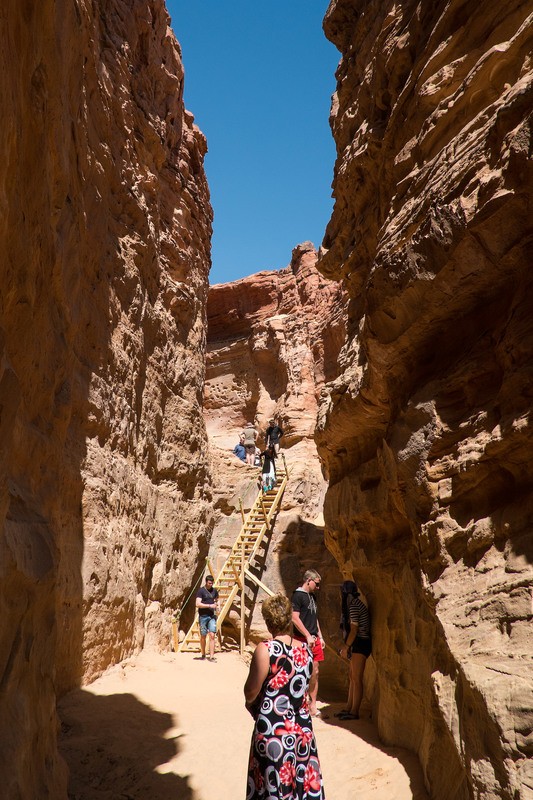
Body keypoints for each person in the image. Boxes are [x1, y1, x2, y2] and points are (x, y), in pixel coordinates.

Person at [244, 593, 325, 799]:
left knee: (274, 786)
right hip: (302, 731)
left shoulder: (266, 650)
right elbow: (310, 682)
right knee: (301, 785)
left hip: (274, 730)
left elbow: (251, 691)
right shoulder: (306, 652)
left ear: (269, 621)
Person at [291, 570, 325, 717]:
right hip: (302, 639)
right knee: (302, 671)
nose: (318, 587)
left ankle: (313, 705)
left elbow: (314, 617)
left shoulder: (312, 597)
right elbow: (294, 617)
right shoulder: (298, 596)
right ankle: (301, 703)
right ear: (309, 580)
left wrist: (320, 636)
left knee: (315, 672)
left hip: (314, 639)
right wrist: (307, 635)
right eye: (317, 583)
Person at [336, 580, 371, 720]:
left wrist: (346, 647)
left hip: (361, 643)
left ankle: (354, 711)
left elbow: (354, 630)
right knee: (352, 676)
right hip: (358, 643)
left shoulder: (354, 606)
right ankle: (348, 708)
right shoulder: (355, 604)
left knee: (356, 678)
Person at [195, 574, 219, 661]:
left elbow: (216, 599)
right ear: (206, 582)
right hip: (203, 616)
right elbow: (197, 604)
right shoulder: (201, 591)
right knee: (203, 636)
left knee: (212, 635)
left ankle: (212, 656)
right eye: (209, 583)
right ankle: (203, 654)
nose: (211, 585)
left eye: (212, 583)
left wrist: (217, 606)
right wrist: (209, 605)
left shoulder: (214, 591)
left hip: (212, 616)